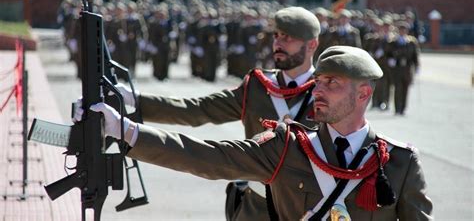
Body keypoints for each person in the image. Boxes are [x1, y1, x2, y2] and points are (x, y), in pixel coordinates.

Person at [87, 45, 433, 220]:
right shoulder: (287, 147)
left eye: (333, 83)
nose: (319, 90)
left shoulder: (398, 164)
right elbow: (207, 157)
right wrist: (126, 131)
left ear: (363, 94)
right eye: (320, 81)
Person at [74, 6, 321, 220]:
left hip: (308, 209)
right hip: (256, 208)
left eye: (287, 38)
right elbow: (197, 109)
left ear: (312, 44)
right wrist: (133, 99)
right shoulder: (257, 87)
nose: (277, 43)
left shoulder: (326, 92)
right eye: (276, 36)